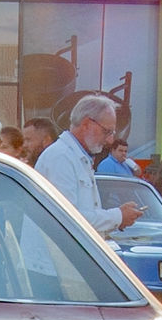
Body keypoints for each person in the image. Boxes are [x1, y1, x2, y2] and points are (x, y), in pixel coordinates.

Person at [34, 94, 144, 235]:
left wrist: (118, 218)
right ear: (86, 124)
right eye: (107, 131)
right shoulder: (61, 157)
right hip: (53, 256)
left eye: (112, 133)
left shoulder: (76, 156)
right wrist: (118, 216)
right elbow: (67, 218)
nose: (110, 140)